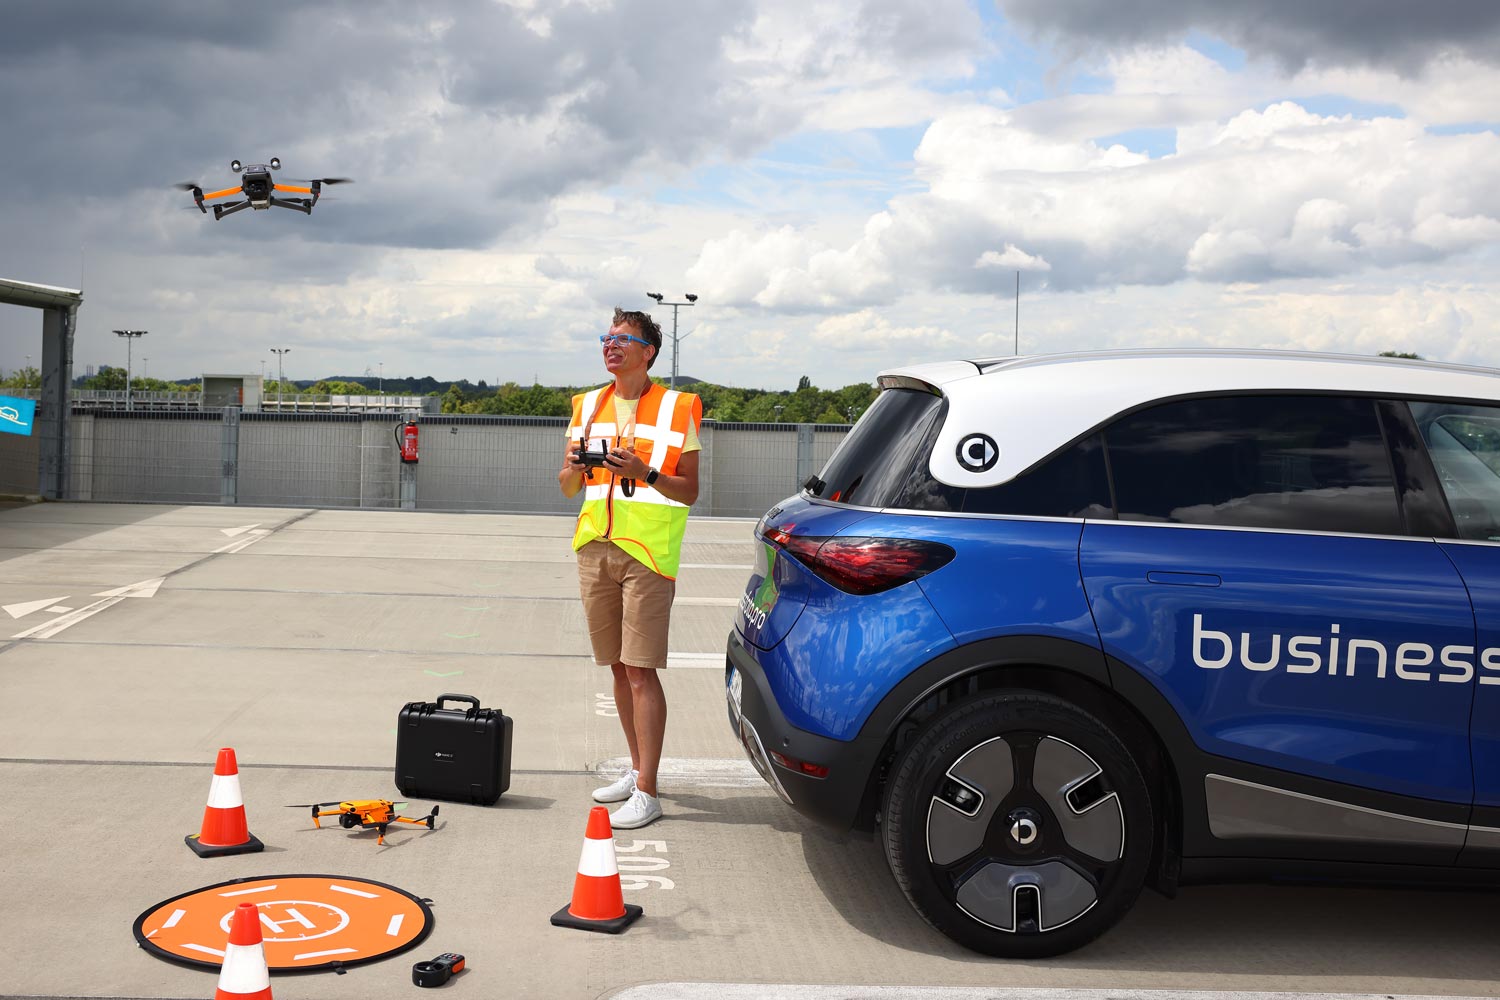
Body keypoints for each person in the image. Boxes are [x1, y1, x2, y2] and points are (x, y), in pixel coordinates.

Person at [559, 307, 703, 829]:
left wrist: (646, 472)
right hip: (595, 546)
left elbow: (690, 491)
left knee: (641, 670)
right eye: (606, 337)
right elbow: (567, 487)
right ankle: (637, 769)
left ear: (648, 352)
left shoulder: (678, 406)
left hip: (647, 552)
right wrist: (575, 470)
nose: (610, 345)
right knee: (619, 668)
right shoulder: (586, 405)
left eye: (622, 339)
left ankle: (648, 789)